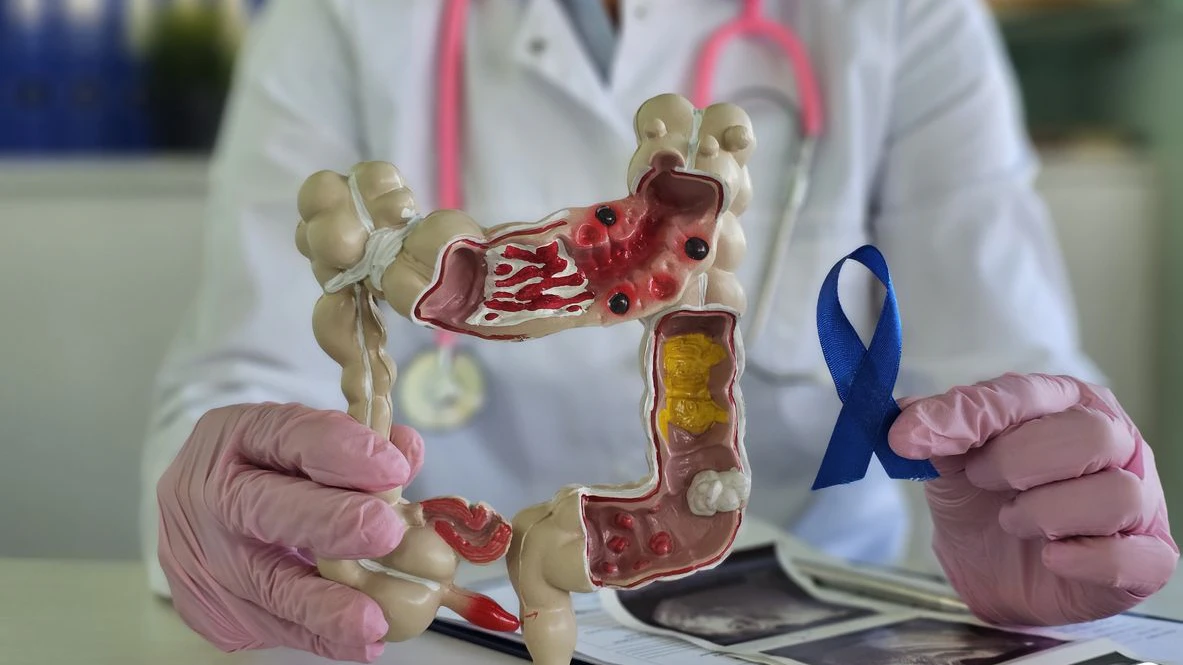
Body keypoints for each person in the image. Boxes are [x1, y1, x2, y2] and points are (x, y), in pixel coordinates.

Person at [141, 0, 1179, 662]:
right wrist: (223, 499)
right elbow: (250, 374)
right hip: (440, 616)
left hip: (819, 609)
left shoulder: (903, 17)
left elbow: (1006, 363)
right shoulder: (335, 22)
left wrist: (1042, 494)